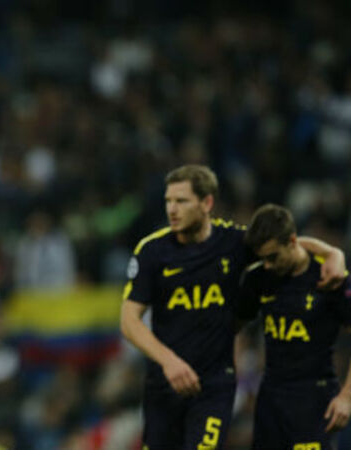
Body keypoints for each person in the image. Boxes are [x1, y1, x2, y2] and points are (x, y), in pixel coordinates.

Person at [120, 165, 346, 449]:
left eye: (182, 201)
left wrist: (332, 253)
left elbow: (283, 244)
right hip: (164, 384)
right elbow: (129, 321)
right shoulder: (152, 251)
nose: (172, 210)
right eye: (169, 201)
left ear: (207, 203)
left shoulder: (233, 243)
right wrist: (169, 361)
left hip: (213, 386)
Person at [239, 204, 351, 449]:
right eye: (262, 259)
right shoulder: (258, 278)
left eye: (273, 257)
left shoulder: (329, 276)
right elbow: (236, 325)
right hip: (271, 397)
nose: (267, 265)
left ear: (292, 241)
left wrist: (346, 397)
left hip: (315, 396)